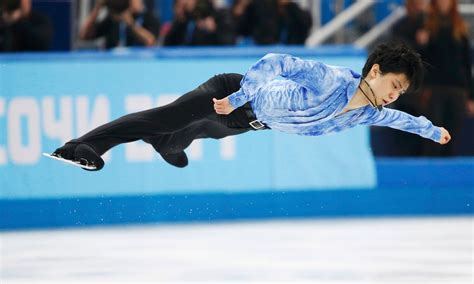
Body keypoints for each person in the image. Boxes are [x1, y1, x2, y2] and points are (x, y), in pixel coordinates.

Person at [51, 43, 451, 171]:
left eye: (401, 91)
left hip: (251, 123)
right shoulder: (330, 78)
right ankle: (82, 146)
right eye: (394, 85)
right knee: (160, 120)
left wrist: (432, 131)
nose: (393, 95)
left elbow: (402, 120)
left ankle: (168, 146)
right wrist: (238, 97)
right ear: (375, 70)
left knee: (195, 132)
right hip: (232, 93)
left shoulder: (371, 111)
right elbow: (276, 61)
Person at [416, 0, 473, 156]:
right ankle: (430, 171)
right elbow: (422, 61)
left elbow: (467, 63)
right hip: (435, 88)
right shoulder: (426, 25)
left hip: (457, 89)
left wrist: (471, 96)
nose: (443, 3)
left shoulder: (460, 27)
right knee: (432, 133)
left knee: (453, 134)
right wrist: (422, 44)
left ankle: (448, 173)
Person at [79, 0, 160, 49]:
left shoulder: (149, 18)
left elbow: (151, 42)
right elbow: (84, 35)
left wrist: (131, 24)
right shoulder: (112, 19)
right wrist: (97, 8)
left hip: (139, 65)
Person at [232, 0, 312, 45]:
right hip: (264, 49)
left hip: (293, 50)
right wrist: (241, 10)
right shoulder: (260, 7)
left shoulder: (294, 9)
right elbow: (243, 29)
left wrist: (290, 7)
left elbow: (306, 25)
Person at [163, 0, 236, 46]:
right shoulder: (185, 17)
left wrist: (213, 31)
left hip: (214, 61)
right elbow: (168, 45)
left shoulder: (222, 14)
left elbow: (229, 43)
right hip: (187, 62)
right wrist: (181, 18)